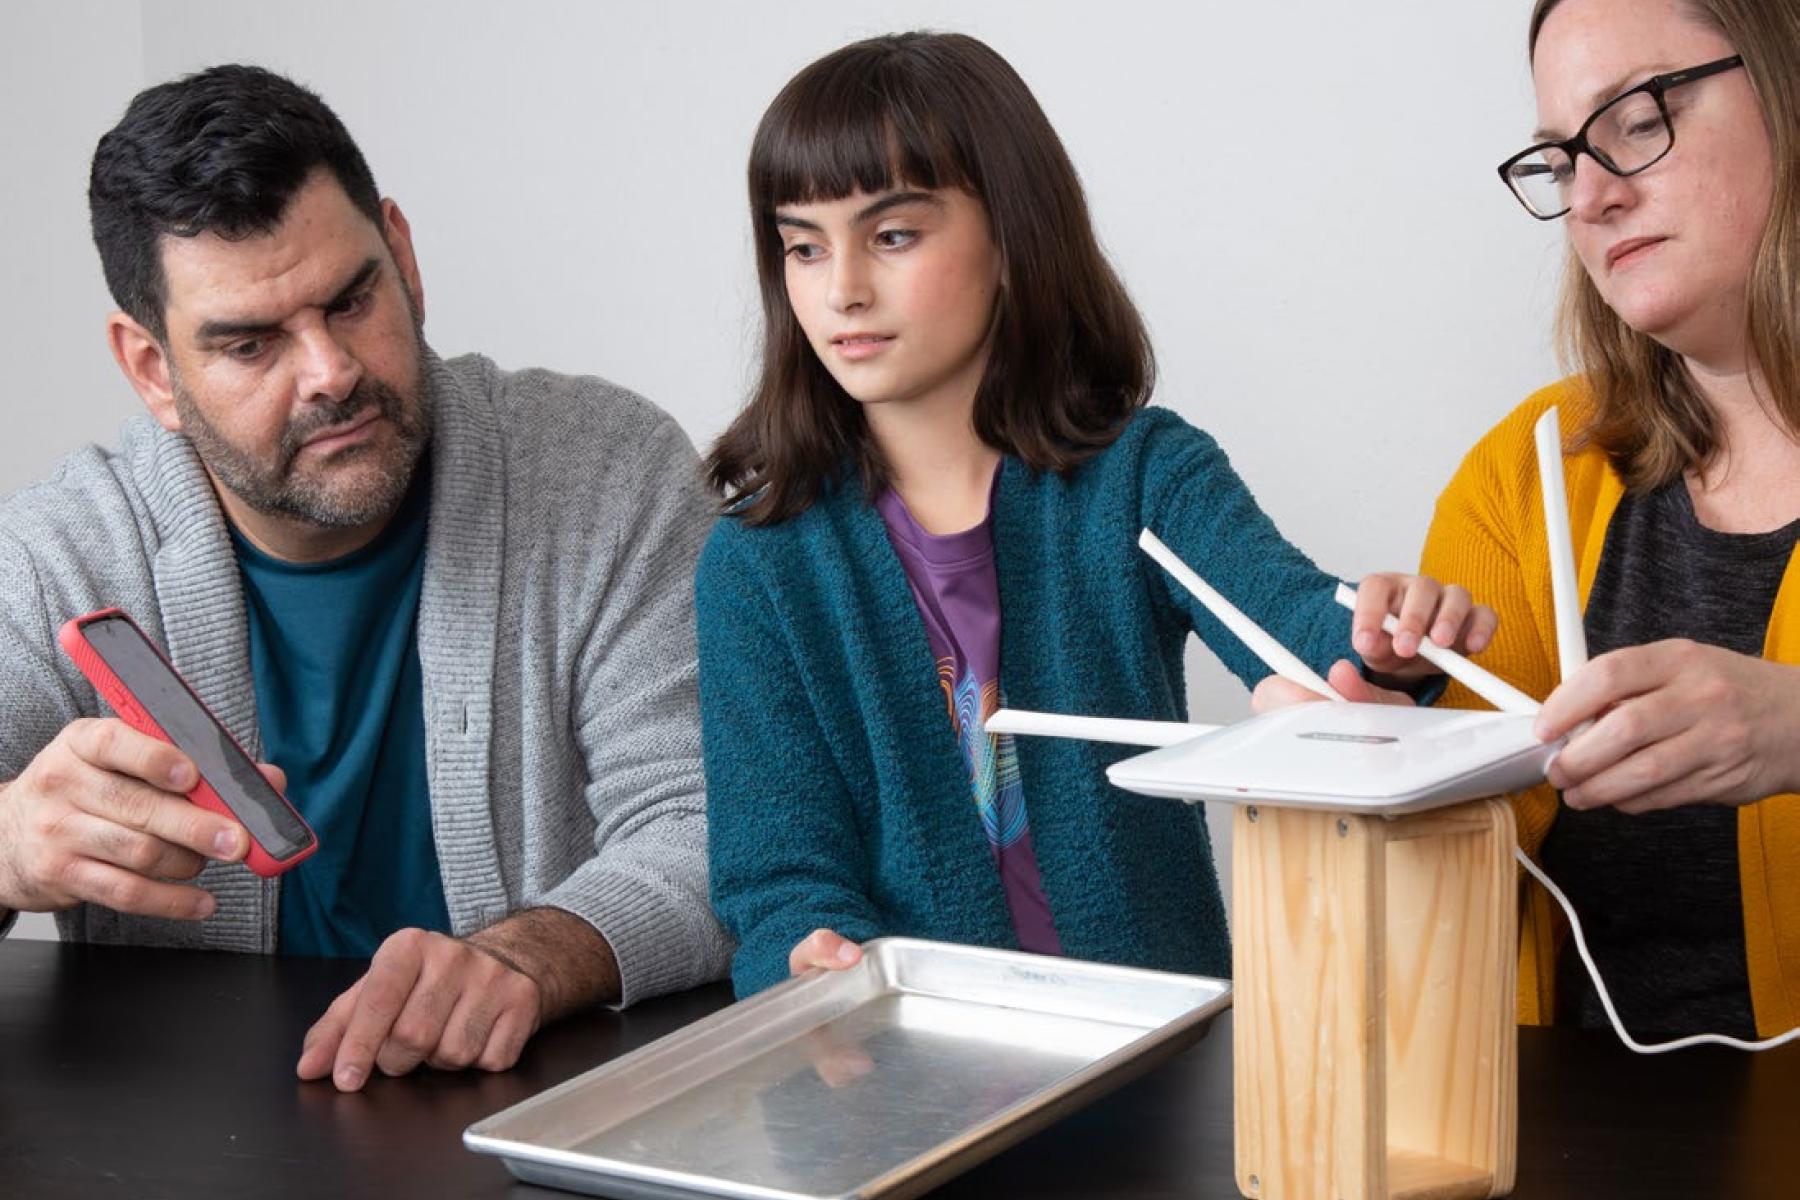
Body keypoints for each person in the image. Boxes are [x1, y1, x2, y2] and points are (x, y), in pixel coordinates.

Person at [696, 32, 1494, 998]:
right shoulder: (759, 561)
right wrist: (807, 958)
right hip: (911, 1090)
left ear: (1010, 238)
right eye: (803, 247)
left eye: (893, 235)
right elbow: (778, 879)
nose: (842, 289)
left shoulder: (1143, 475)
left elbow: (1309, 640)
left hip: (1161, 1071)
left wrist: (1392, 645)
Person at [0, 65, 730, 1088]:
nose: (330, 371)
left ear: (405, 256)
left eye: (352, 300)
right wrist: (8, 848)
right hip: (185, 1142)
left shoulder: (607, 472)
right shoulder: (60, 554)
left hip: (539, 1112)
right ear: (153, 370)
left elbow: (718, 819)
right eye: (251, 344)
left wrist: (528, 958)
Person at [1421, 0, 1800, 1038]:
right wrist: (1366, 754)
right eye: (1557, 158)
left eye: (1637, 118)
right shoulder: (1527, 472)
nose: (1591, 195)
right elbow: (1445, 906)